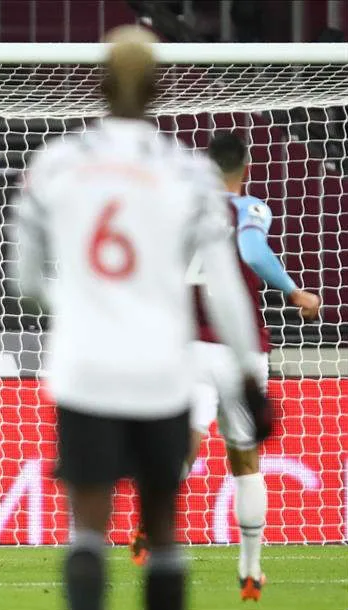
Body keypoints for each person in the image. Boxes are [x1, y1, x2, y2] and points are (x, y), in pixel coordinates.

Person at [9, 26, 271, 610]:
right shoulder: (189, 172)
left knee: (88, 528)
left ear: (98, 85)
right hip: (161, 369)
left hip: (86, 369)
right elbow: (227, 290)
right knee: (163, 525)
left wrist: (82, 310)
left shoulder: (56, 163)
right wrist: (249, 380)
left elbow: (24, 282)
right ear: (159, 89)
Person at [129, 132, 321, 601]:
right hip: (240, 347)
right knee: (245, 461)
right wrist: (294, 291)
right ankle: (250, 571)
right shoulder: (249, 208)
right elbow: (253, 252)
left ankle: (152, 520)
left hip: (188, 343)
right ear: (246, 169)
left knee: (184, 442)